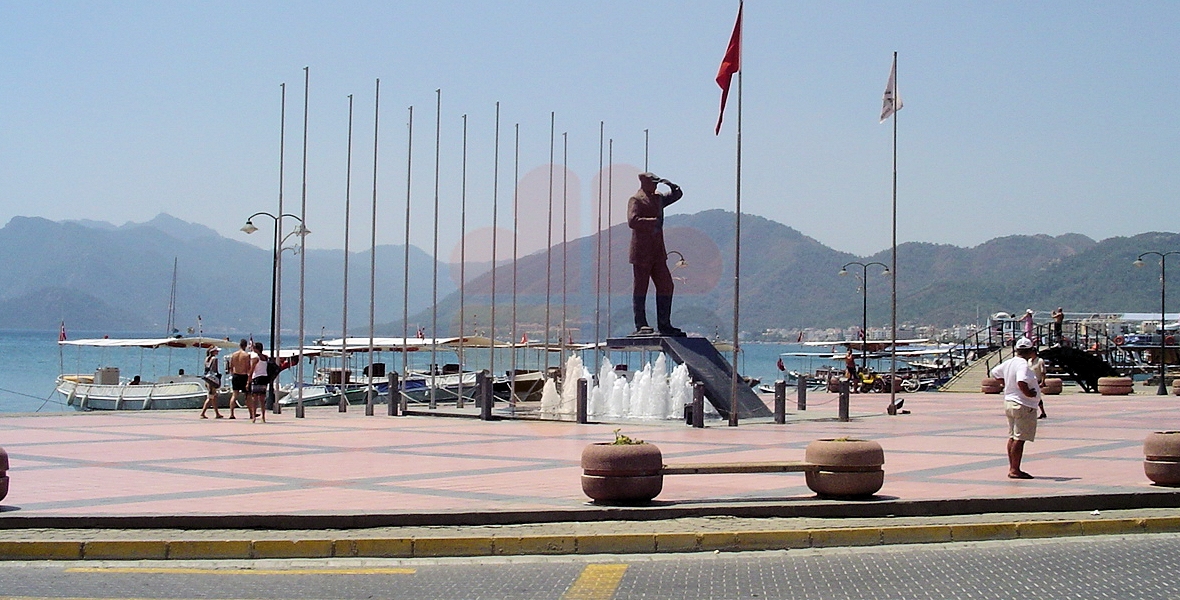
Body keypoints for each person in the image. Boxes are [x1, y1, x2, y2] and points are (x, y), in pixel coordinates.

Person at [627, 172, 684, 337]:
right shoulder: (636, 200)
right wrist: (653, 221)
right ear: (644, 183)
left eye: (657, 183)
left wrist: (672, 185)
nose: (656, 186)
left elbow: (676, 195)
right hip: (641, 252)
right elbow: (632, 221)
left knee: (666, 285)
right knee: (641, 288)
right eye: (654, 183)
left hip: (658, 252)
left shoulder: (658, 198)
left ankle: (665, 324)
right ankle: (641, 324)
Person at [990, 337, 1042, 479]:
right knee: (1020, 438)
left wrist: (1006, 384)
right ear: (1030, 351)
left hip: (1009, 402)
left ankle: (1013, 467)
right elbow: (1021, 381)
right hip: (1022, 404)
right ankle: (1015, 469)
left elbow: (994, 372)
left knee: (1013, 436)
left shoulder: (1009, 362)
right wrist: (1028, 394)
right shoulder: (1023, 365)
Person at [227, 339, 253, 420]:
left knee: (234, 395)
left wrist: (232, 374)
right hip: (243, 375)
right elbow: (248, 367)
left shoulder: (234, 355)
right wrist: (249, 378)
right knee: (248, 395)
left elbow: (231, 366)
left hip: (235, 375)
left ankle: (231, 413)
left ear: (239, 345)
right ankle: (251, 414)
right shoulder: (246, 355)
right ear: (245, 346)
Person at [199, 347, 224, 419]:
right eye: (216, 351)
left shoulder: (206, 359)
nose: (217, 352)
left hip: (207, 378)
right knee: (210, 397)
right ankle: (202, 413)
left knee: (214, 397)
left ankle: (217, 413)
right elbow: (215, 370)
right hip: (212, 379)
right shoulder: (214, 359)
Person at [248, 341, 268, 423]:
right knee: (262, 399)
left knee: (254, 399)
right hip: (264, 378)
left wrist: (248, 380)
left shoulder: (255, 358)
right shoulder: (265, 357)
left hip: (256, 378)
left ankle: (254, 417)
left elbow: (252, 370)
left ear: (257, 349)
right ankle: (263, 417)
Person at [1027, 345, 1048, 419]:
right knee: (1032, 396)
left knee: (1036, 396)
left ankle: (1041, 412)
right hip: (1030, 381)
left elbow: (1043, 372)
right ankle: (1041, 412)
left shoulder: (1040, 360)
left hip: (1037, 381)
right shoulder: (1029, 361)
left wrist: (1043, 382)